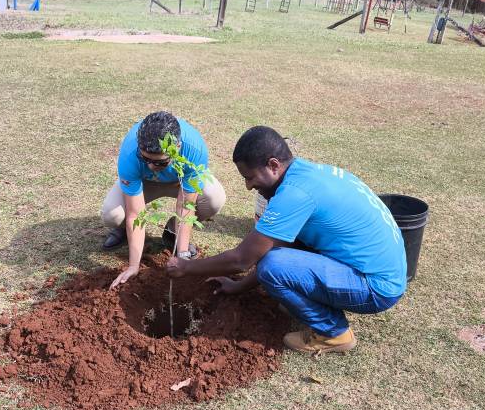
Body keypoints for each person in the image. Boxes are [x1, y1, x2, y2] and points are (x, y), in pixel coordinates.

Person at [167, 126, 407, 354]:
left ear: (273, 165)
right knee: (275, 259)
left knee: (273, 267)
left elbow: (241, 260)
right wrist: (240, 286)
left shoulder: (295, 194)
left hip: (376, 287)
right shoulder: (305, 173)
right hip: (376, 271)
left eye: (250, 177)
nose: (249, 186)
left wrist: (186, 267)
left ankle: (333, 333)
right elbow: (280, 244)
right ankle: (311, 298)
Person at [101, 111, 226, 289]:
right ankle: (124, 231)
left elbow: (186, 206)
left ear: (177, 147)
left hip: (178, 181)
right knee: (111, 214)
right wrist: (133, 266)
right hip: (144, 183)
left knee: (214, 198)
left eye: (160, 162)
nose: (151, 166)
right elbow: (136, 213)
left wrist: (182, 257)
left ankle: (172, 231)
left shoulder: (194, 149)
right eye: (145, 159)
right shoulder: (130, 153)